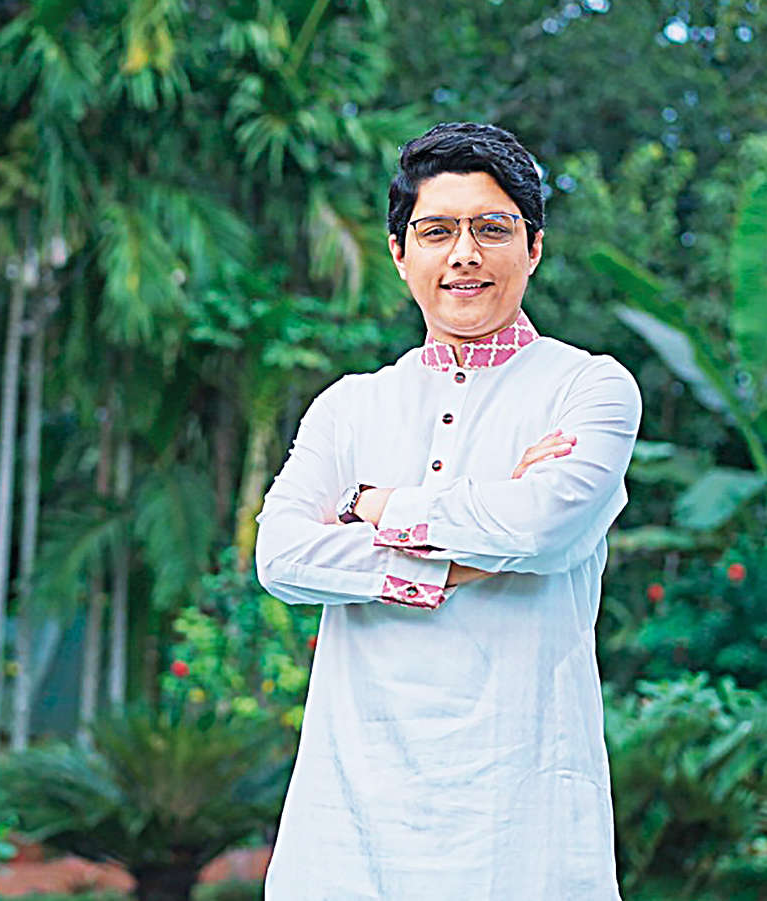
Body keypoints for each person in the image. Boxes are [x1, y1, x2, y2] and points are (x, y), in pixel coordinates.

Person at [255, 121, 641, 900]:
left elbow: (540, 525)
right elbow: (282, 557)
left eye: (491, 228)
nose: (464, 253)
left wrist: (371, 503)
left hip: (523, 822)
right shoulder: (349, 405)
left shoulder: (588, 388)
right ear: (400, 253)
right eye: (436, 231)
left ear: (533, 247)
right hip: (347, 827)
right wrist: (458, 557)